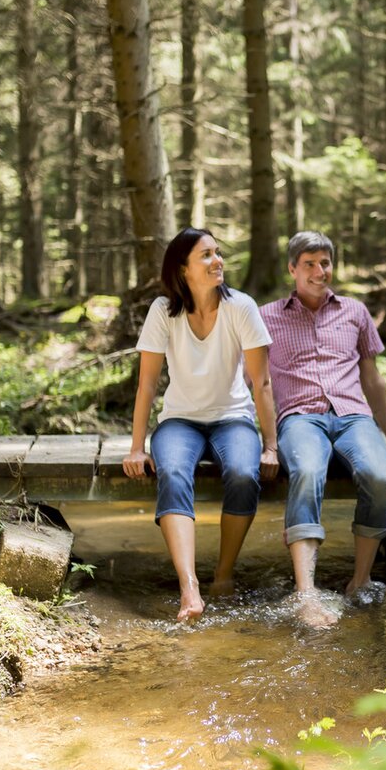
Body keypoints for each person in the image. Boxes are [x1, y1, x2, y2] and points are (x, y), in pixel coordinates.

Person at [261, 230, 386, 627]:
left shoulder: (354, 311)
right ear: (292, 268)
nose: (320, 272)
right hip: (299, 417)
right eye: (310, 264)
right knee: (306, 472)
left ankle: (360, 579)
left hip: (353, 416)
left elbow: (373, 379)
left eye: (326, 263)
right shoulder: (266, 317)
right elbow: (254, 382)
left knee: (377, 474)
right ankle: (306, 594)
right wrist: (265, 442)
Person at [123, 228, 279, 624]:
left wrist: (270, 446)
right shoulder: (163, 311)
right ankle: (189, 586)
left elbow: (261, 383)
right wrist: (137, 447)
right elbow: (146, 384)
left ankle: (223, 575)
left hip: (233, 420)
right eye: (206, 255)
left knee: (244, 474)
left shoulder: (241, 307)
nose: (217, 261)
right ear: (183, 268)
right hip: (180, 421)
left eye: (218, 253)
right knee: (173, 472)